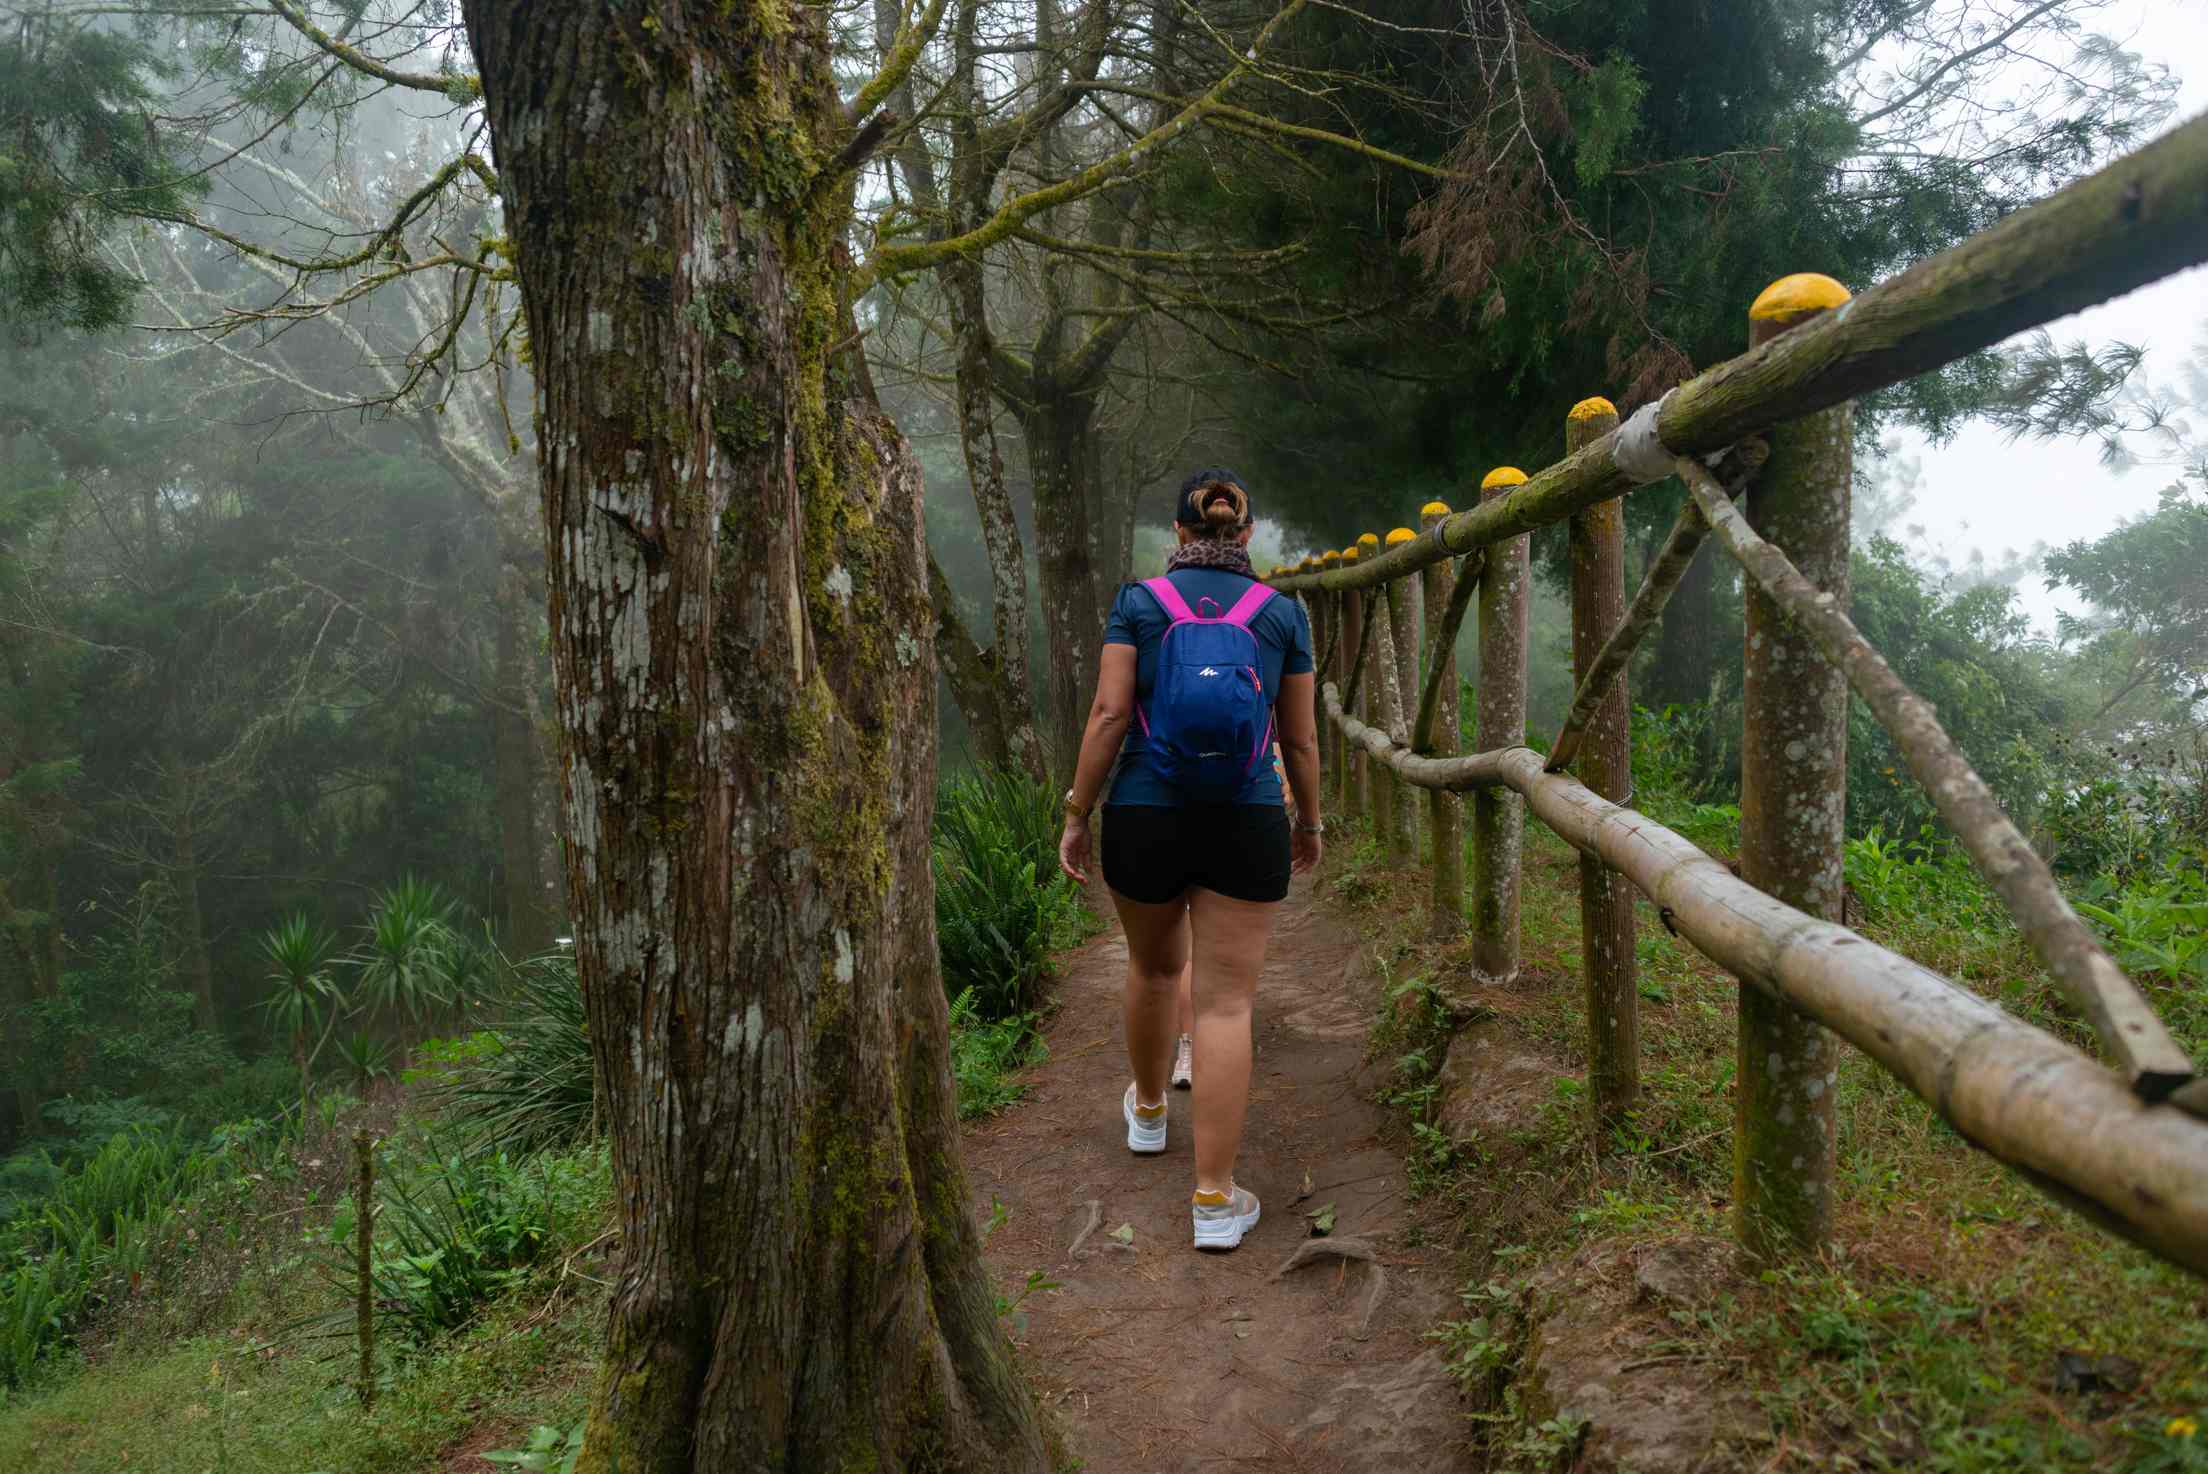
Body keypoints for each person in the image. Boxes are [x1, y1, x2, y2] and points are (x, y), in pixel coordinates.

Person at [1058, 469, 1324, 1252]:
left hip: (1144, 810)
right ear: (1245, 535)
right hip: (1245, 814)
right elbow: (1301, 740)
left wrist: (1078, 814)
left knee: (1152, 970)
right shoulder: (1281, 613)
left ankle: (1147, 1112)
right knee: (1224, 1005)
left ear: (1179, 534)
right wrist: (1307, 820)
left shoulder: (1137, 604)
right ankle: (1214, 1200)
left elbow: (1110, 714)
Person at [1169, 741, 1291, 1091]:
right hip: (1247, 807)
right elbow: (1292, 737)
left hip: (1164, 803)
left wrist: (1078, 809)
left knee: (1180, 952)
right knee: (1225, 969)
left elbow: (1111, 715)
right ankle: (1218, 1044)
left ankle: (1188, 1050)